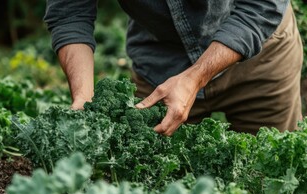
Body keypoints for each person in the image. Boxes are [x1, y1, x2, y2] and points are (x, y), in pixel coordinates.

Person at [44, 0, 303, 136]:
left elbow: (261, 6)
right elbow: (70, 12)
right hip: (160, 64)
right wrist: (83, 97)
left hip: (258, 58)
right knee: (158, 193)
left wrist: (194, 78)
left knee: (269, 185)